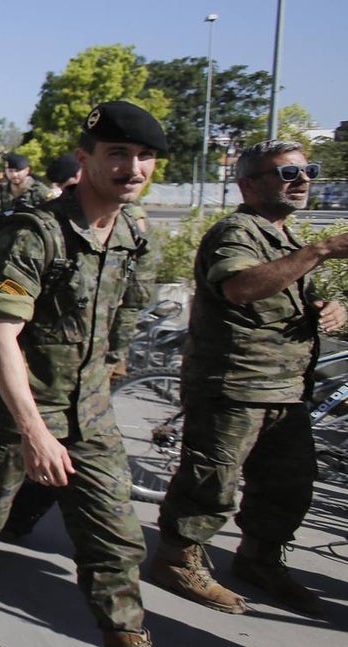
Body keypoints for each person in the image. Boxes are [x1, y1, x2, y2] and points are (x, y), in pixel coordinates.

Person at [0, 101, 238, 647]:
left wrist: (103, 386)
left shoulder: (137, 236)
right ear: (88, 158)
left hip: (92, 416)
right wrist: (35, 431)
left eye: (145, 158)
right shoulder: (36, 233)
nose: (133, 168)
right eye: (118, 155)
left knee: (116, 546)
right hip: (16, 413)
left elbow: (123, 326)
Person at [148, 140, 348, 619]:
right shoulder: (235, 232)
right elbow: (240, 287)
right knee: (211, 481)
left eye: (308, 170)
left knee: (290, 483)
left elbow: (280, 295)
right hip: (234, 384)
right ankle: (177, 559)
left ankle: (259, 558)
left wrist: (328, 309)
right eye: (287, 173)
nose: (302, 180)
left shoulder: (284, 239)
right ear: (249, 184)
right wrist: (322, 250)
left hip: (285, 386)